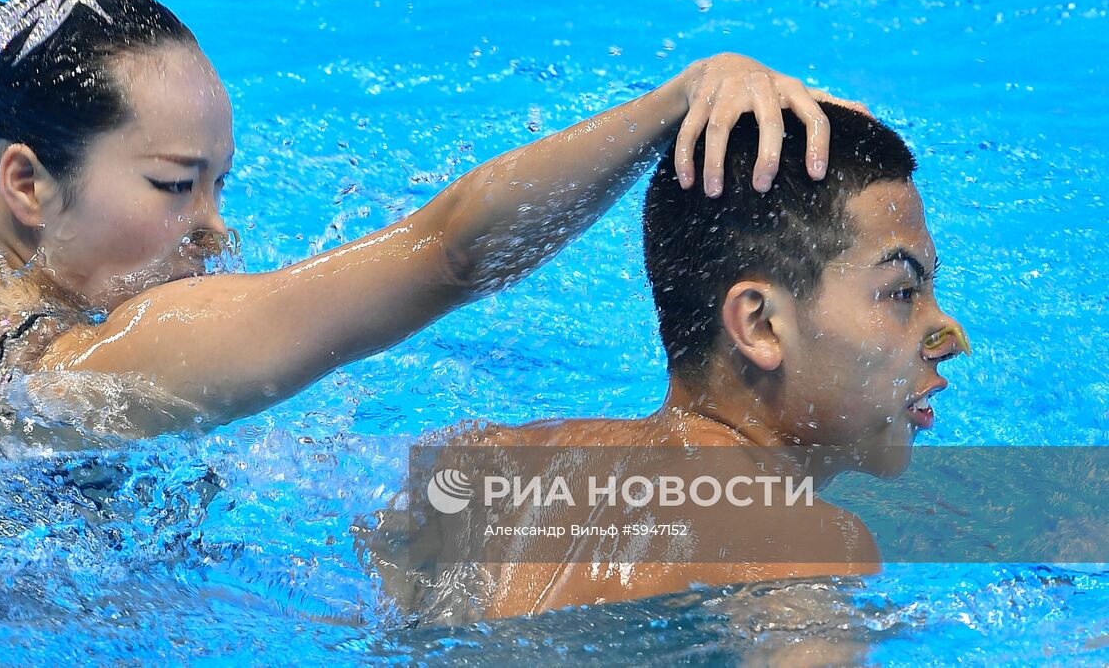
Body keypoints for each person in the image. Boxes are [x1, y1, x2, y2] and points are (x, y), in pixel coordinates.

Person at [0, 0, 844, 466]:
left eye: (219, 186)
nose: (213, 231)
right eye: (173, 186)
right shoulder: (74, 371)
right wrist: (670, 103)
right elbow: (446, 252)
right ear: (26, 184)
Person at [364, 101, 970, 623]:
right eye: (902, 292)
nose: (947, 333)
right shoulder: (804, 546)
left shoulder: (480, 464)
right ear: (758, 324)